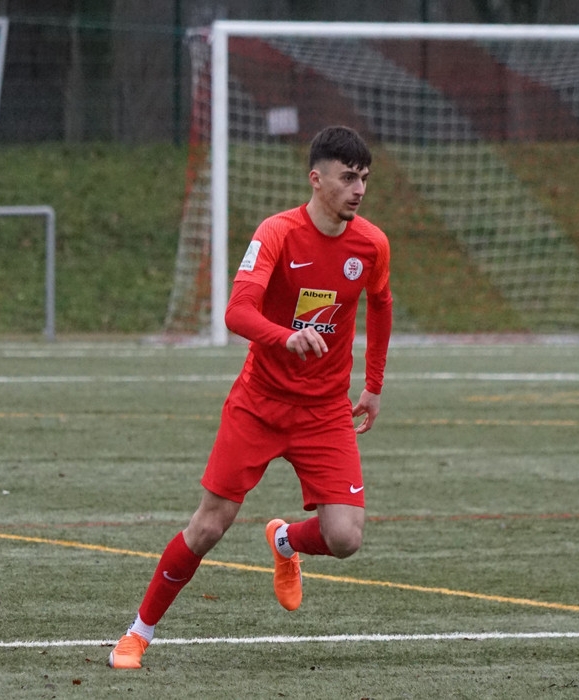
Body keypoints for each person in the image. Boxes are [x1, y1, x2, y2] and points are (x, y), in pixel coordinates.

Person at [108, 125, 394, 669]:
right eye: (347, 178)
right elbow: (237, 312)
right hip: (260, 404)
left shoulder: (372, 243)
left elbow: (380, 304)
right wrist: (286, 337)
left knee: (345, 537)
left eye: (364, 179)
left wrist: (374, 385)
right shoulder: (277, 233)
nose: (358, 189)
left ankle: (285, 541)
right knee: (209, 525)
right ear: (316, 179)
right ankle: (137, 633)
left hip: (325, 411)